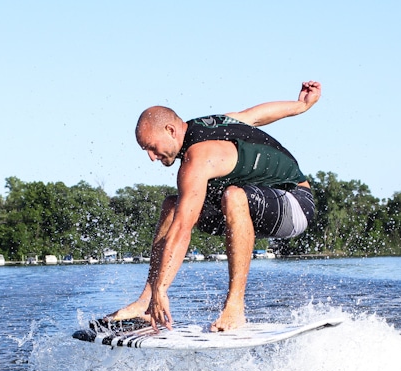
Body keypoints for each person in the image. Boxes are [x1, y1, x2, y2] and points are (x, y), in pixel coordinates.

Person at [108, 80, 321, 332]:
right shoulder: (204, 125)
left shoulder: (196, 160)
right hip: (253, 205)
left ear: (170, 130)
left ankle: (235, 307)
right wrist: (300, 106)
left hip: (295, 203)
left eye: (152, 148)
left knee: (233, 196)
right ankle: (145, 302)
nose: (151, 157)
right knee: (172, 205)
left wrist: (163, 289)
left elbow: (182, 229)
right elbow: (252, 116)